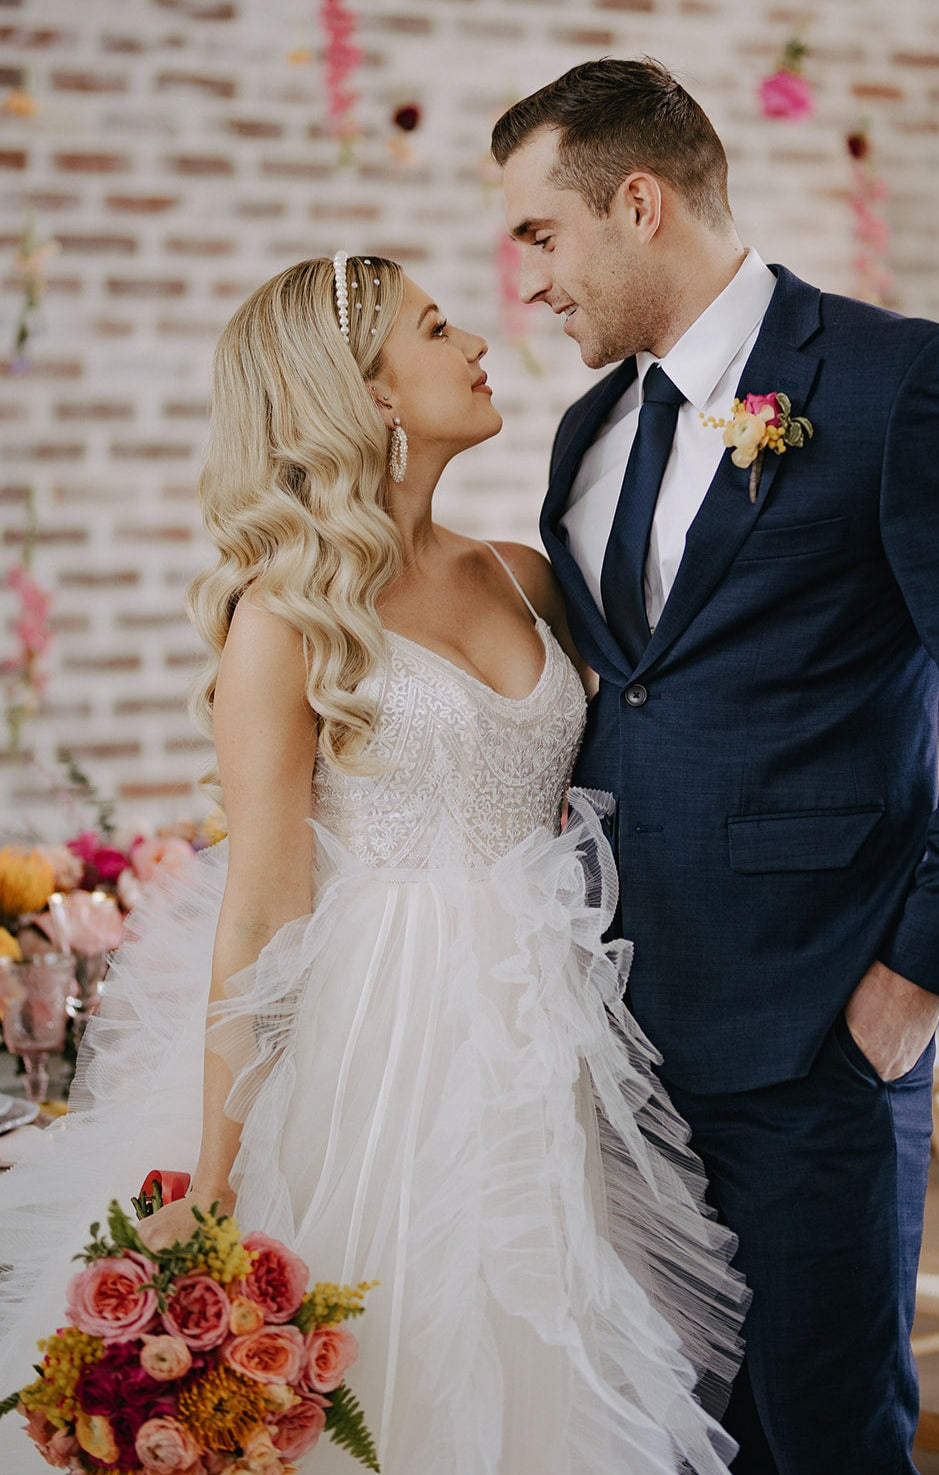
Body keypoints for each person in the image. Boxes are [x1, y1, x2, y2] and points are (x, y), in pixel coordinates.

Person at [0, 253, 748, 1474]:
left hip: (543, 1030)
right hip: (383, 1044)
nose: (478, 342)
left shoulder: (524, 572)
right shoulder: (284, 619)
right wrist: (215, 1179)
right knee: (396, 1357)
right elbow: (259, 910)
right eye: (436, 327)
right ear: (371, 392)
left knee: (536, 1352)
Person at [492, 57, 939, 1475]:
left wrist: (915, 979)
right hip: (616, 1039)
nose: (527, 281)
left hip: (818, 1030)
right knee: (668, 1439)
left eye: (540, 234)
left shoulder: (894, 381)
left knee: (826, 1436)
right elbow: (631, 694)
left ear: (637, 202)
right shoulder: (586, 432)